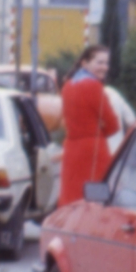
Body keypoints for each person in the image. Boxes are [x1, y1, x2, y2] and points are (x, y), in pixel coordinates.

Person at [54, 44, 120, 210]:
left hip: (71, 150)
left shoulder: (67, 86)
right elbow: (113, 125)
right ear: (85, 63)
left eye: (106, 63)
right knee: (95, 202)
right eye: (99, 62)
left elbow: (67, 121)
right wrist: (98, 131)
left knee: (71, 199)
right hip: (93, 152)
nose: (104, 67)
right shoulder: (94, 87)